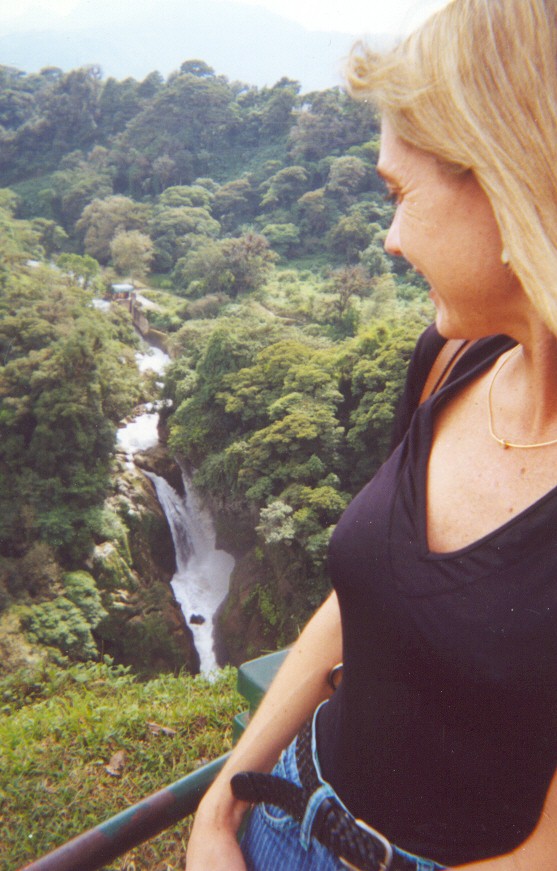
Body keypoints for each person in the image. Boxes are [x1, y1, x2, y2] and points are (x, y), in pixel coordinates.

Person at [185, 1, 557, 868]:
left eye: (398, 193)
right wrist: (221, 800)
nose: (387, 240)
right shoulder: (450, 358)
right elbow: (360, 604)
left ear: (507, 180)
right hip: (282, 810)